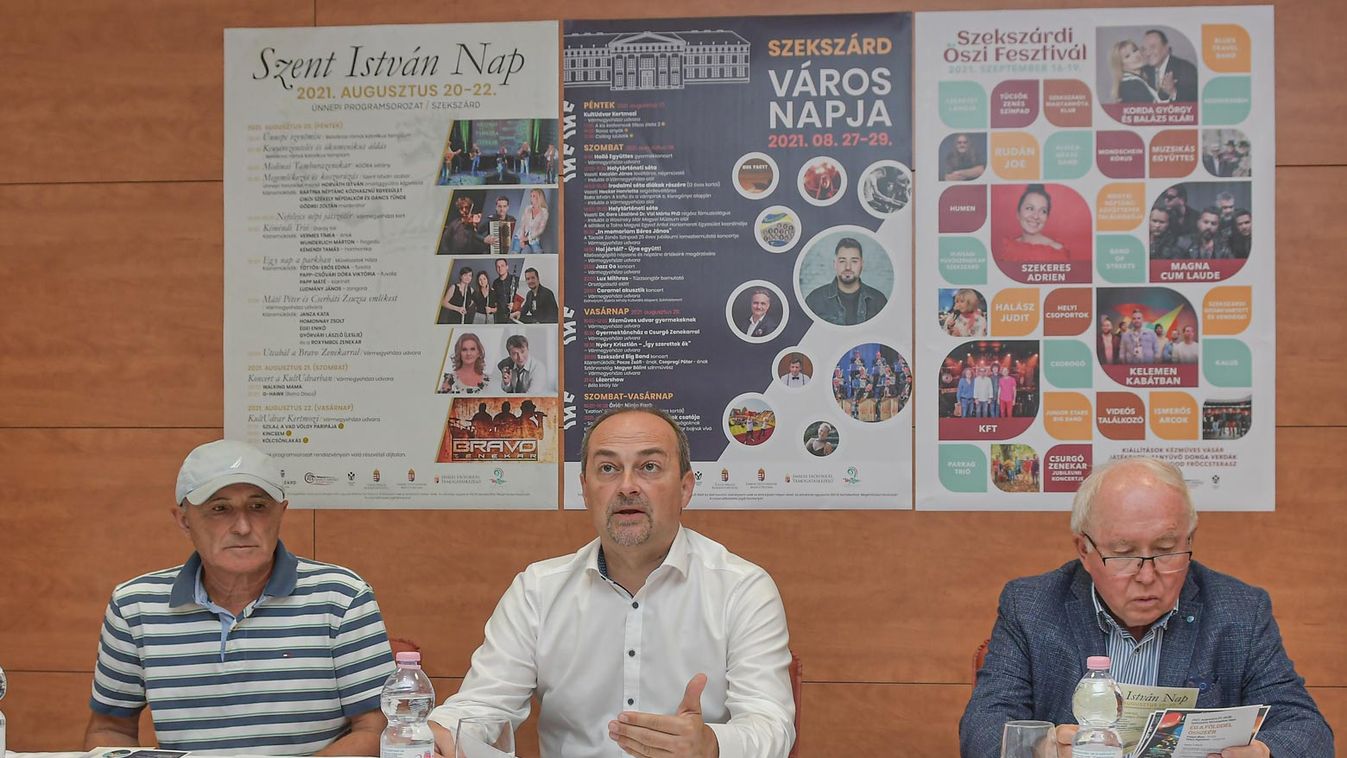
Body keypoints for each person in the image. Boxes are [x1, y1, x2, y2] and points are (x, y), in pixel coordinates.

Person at [426, 408, 795, 758]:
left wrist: (711, 745)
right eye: (608, 468)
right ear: (585, 489)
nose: (627, 486)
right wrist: (440, 734)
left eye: (649, 467)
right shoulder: (538, 590)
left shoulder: (742, 589)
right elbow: (482, 706)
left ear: (685, 488)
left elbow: (770, 725)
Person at [959, 458, 1333, 757]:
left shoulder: (1239, 611)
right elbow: (983, 729)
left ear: (1189, 539)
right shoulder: (1032, 606)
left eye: (1167, 550)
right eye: (1123, 553)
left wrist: (1263, 752)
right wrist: (1044, 749)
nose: (1147, 575)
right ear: (1084, 550)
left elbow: (1307, 731)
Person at [85, 440, 394, 754]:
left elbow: (379, 727)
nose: (243, 527)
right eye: (220, 509)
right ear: (184, 520)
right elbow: (111, 728)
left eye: (258, 507)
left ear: (281, 513)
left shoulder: (342, 597)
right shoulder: (134, 605)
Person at [804, 237, 889, 326]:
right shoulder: (814, 300)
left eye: (854, 261)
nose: (848, 267)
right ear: (835, 264)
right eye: (842, 261)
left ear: (862, 264)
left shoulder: (879, 300)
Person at [999, 184, 1071, 263]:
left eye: (1043, 211)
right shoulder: (1009, 246)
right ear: (1018, 213)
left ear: (1047, 217)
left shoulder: (1056, 252)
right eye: (1030, 208)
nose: (1036, 216)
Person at [1142, 29, 1198, 103]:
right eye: (1144, 49)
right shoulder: (1143, 71)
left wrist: (1173, 92)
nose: (1147, 53)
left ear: (1166, 48)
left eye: (1152, 47)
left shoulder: (1186, 68)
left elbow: (1195, 101)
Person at [517, 188, 550, 253]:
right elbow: (522, 224)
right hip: (521, 235)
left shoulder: (544, 212)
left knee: (539, 253)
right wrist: (522, 239)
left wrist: (527, 238)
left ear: (539, 198)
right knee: (515, 252)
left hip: (533, 238)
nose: (531, 198)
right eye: (531, 196)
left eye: (533, 196)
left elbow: (540, 230)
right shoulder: (527, 208)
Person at [491, 257, 520, 325]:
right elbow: (495, 300)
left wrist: (515, 305)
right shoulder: (495, 283)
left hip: (514, 315)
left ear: (507, 267)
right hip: (500, 317)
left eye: (502, 266)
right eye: (498, 266)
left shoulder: (516, 280)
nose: (500, 268)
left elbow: (523, 296)